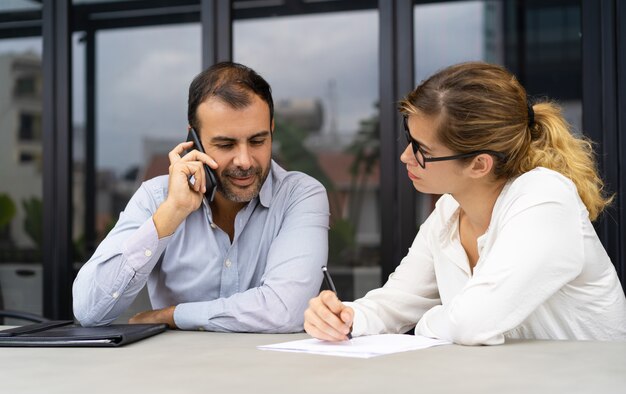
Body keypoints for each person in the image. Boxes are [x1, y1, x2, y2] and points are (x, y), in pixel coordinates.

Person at [304, 61, 626, 345]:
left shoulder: (544, 199)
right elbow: (397, 302)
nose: (405, 157)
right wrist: (344, 316)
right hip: (514, 391)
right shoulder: (448, 210)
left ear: (479, 164)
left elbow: (471, 324)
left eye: (422, 150)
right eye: (409, 139)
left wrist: (428, 320)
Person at [73, 62, 329, 332]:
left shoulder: (300, 195)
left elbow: (283, 311)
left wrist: (173, 315)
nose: (244, 160)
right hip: (178, 372)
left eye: (257, 141)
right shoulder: (156, 197)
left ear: (271, 130)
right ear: (193, 140)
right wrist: (171, 213)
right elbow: (89, 310)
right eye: (226, 144)